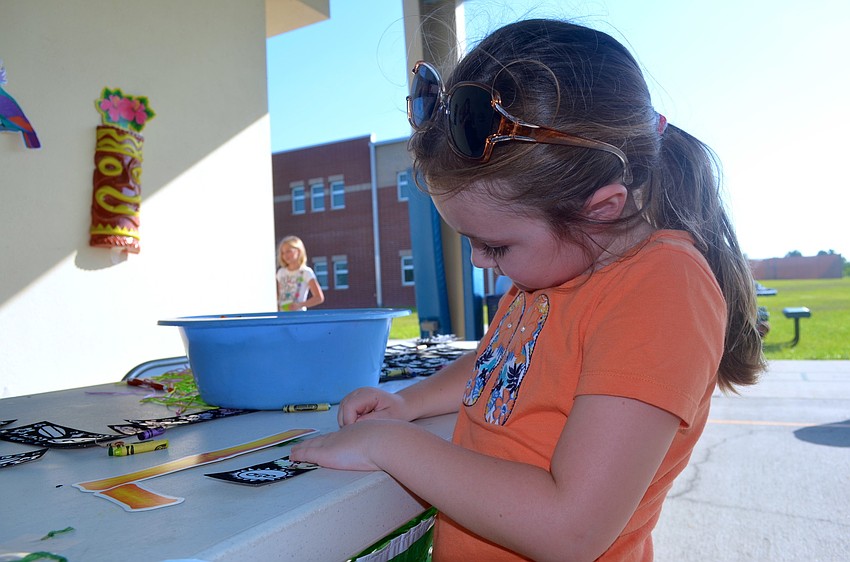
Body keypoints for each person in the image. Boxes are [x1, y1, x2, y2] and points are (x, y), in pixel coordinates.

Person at [291, 19, 765, 561]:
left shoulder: (662, 290)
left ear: (600, 209)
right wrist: (407, 404)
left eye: (494, 245)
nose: (477, 260)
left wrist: (390, 444)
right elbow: (498, 365)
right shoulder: (553, 268)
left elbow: (570, 530)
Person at [275, 235, 324, 311]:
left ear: (298, 251)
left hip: (298, 315)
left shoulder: (306, 272)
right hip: (282, 315)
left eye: (288, 251)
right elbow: (278, 294)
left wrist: (299, 305)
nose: (285, 255)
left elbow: (319, 298)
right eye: (282, 253)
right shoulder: (281, 273)